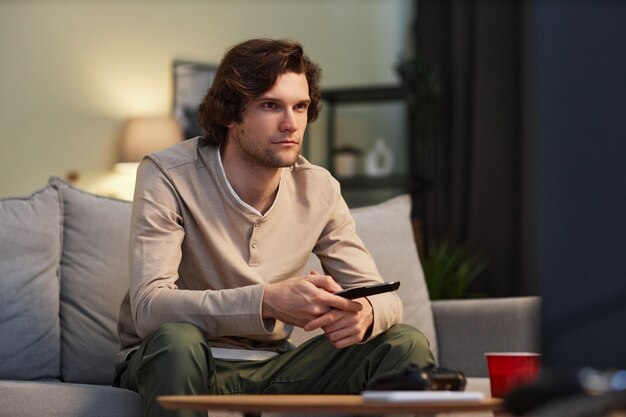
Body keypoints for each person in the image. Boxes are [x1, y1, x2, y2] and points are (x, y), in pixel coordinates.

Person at [114, 38, 435, 417]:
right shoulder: (167, 174)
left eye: (300, 107)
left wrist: (366, 311)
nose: (291, 123)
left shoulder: (319, 188)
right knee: (176, 342)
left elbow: (384, 296)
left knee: (404, 344)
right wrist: (267, 300)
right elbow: (150, 308)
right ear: (231, 114)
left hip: (275, 366)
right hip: (180, 363)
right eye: (271, 105)